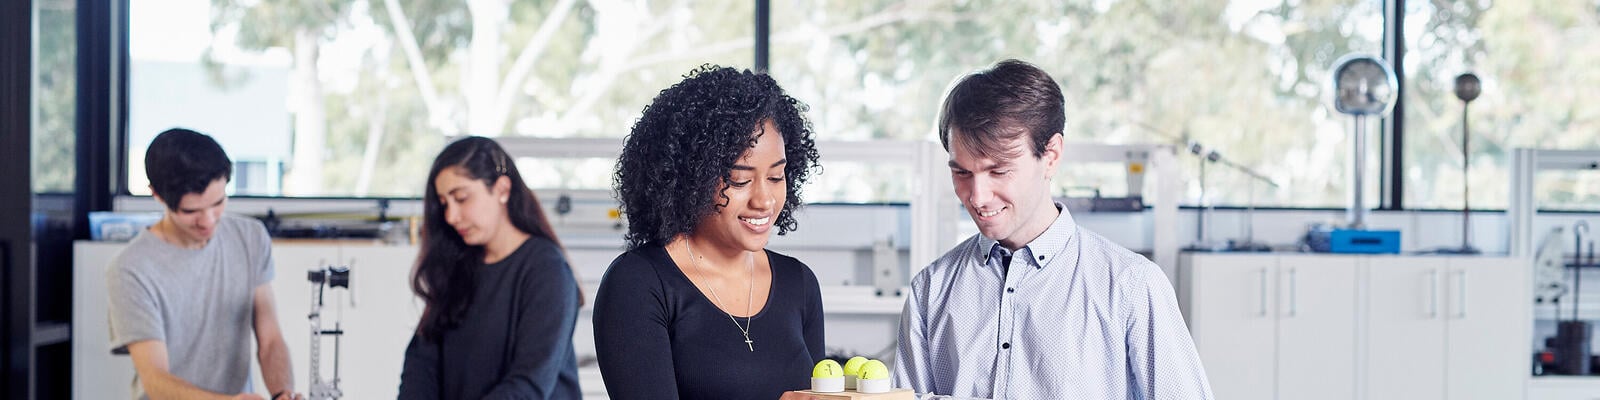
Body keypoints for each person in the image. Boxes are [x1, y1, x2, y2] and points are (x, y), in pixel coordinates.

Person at [892, 60, 1214, 399]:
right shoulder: (931, 290)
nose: (978, 196)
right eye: (962, 173)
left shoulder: (1130, 287)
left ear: (1051, 155)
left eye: (998, 172)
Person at [593, 65, 825, 399]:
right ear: (692, 179)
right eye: (739, 180)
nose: (764, 200)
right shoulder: (638, 284)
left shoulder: (799, 283)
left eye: (776, 177)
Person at [106, 128, 301, 400]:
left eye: (218, 203)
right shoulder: (130, 269)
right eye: (191, 211)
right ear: (157, 195)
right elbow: (155, 380)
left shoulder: (250, 238)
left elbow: (270, 340)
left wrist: (283, 393)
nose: (208, 220)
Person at [398, 136, 582, 399]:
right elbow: (421, 364)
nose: (451, 216)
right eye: (444, 204)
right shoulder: (456, 267)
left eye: (461, 198)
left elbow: (528, 385)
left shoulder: (547, 270)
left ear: (502, 189)